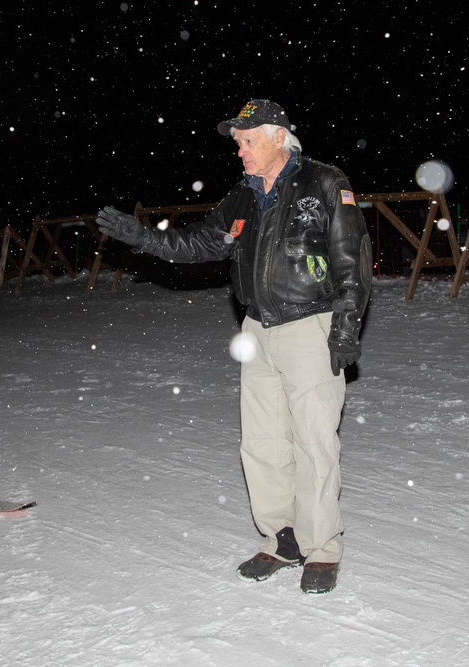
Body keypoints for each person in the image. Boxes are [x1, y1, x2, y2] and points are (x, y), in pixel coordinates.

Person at [96, 100, 372, 594]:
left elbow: (352, 259)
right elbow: (202, 242)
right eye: (237, 142)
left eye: (245, 141)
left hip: (311, 327)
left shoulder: (325, 182)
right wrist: (143, 239)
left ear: (276, 137)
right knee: (262, 443)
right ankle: (282, 539)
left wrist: (347, 326)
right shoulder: (243, 196)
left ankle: (321, 547)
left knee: (314, 443)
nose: (239, 150)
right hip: (256, 330)